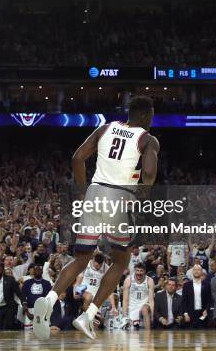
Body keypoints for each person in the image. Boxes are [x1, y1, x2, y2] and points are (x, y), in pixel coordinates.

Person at [33, 96, 159, 340]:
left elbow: (77, 158)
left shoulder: (105, 128)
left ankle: (49, 298)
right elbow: (150, 173)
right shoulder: (147, 139)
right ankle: (88, 315)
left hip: (93, 192)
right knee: (121, 261)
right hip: (120, 197)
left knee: (81, 259)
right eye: (151, 116)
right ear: (145, 115)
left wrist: (81, 192)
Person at [123, 263, 155, 329]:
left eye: (141, 271)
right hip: (132, 307)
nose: (139, 273)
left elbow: (151, 300)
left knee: (145, 309)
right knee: (133, 335)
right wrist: (124, 314)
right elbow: (125, 300)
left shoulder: (150, 280)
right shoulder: (128, 280)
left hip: (144, 305)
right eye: (137, 270)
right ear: (134, 271)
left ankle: (148, 335)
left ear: (144, 271)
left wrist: (152, 315)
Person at [181, 264, 211, 329]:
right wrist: (185, 314)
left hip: (203, 315)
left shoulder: (207, 285)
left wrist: (206, 310)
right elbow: (184, 301)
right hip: (190, 315)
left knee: (203, 337)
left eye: (198, 270)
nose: (196, 271)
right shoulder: (186, 285)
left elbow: (209, 300)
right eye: (194, 270)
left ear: (201, 272)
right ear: (192, 272)